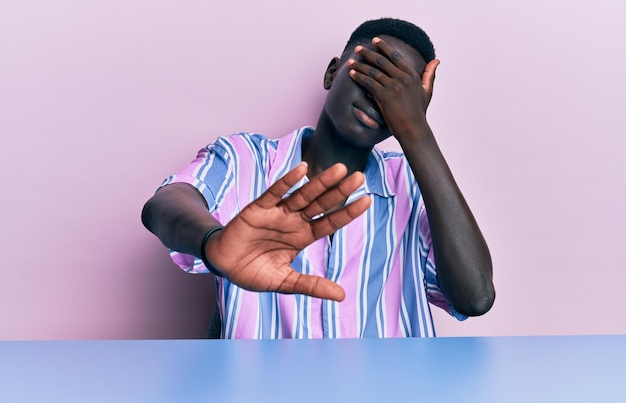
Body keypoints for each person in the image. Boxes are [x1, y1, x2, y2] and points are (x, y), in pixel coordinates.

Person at [142, 18, 495, 339]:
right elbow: (165, 204)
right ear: (332, 73)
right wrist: (213, 242)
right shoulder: (244, 159)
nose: (379, 99)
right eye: (370, 74)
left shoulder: (414, 182)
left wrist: (414, 130)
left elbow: (475, 297)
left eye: (399, 94)